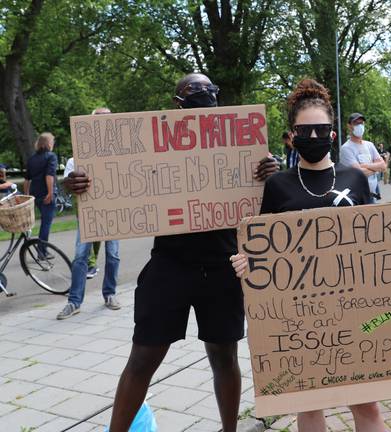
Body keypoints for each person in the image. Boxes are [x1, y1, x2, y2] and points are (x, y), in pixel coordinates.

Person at [63, 73, 279, 432]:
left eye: (210, 91)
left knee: (224, 357)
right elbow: (117, 180)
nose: (204, 97)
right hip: (170, 264)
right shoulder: (153, 148)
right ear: (177, 104)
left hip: (222, 265)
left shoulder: (241, 147)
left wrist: (269, 174)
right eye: (194, 92)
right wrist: (83, 186)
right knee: (143, 357)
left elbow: (268, 204)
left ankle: (230, 429)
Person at [230, 78, 391, 431]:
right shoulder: (278, 185)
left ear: (332, 134)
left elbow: (379, 247)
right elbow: (264, 247)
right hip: (301, 321)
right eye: (304, 131)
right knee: (310, 410)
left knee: (368, 409)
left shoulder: (356, 180)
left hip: (357, 316)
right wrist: (247, 261)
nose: (313, 138)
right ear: (292, 134)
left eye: (320, 130)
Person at [57, 107, 122, 320]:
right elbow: (66, 185)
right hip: (88, 217)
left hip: (112, 214)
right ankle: (74, 301)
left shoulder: (120, 154)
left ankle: (110, 293)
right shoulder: (76, 159)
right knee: (80, 257)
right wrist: (70, 182)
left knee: (113, 255)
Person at [338, 113, 386, 203]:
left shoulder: (369, 145)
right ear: (349, 126)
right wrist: (376, 168)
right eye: (356, 123)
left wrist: (364, 165)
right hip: (357, 198)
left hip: (372, 195)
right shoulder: (346, 148)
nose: (359, 126)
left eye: (361, 123)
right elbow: (358, 173)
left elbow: (383, 166)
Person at [23, 132, 57, 259]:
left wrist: (26, 195)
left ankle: (42, 250)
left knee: (43, 223)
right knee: (46, 224)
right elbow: (49, 175)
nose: (53, 144)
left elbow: (27, 179)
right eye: (52, 141)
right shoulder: (51, 156)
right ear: (48, 143)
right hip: (46, 194)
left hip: (34, 195)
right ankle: (42, 252)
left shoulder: (32, 159)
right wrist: (50, 192)